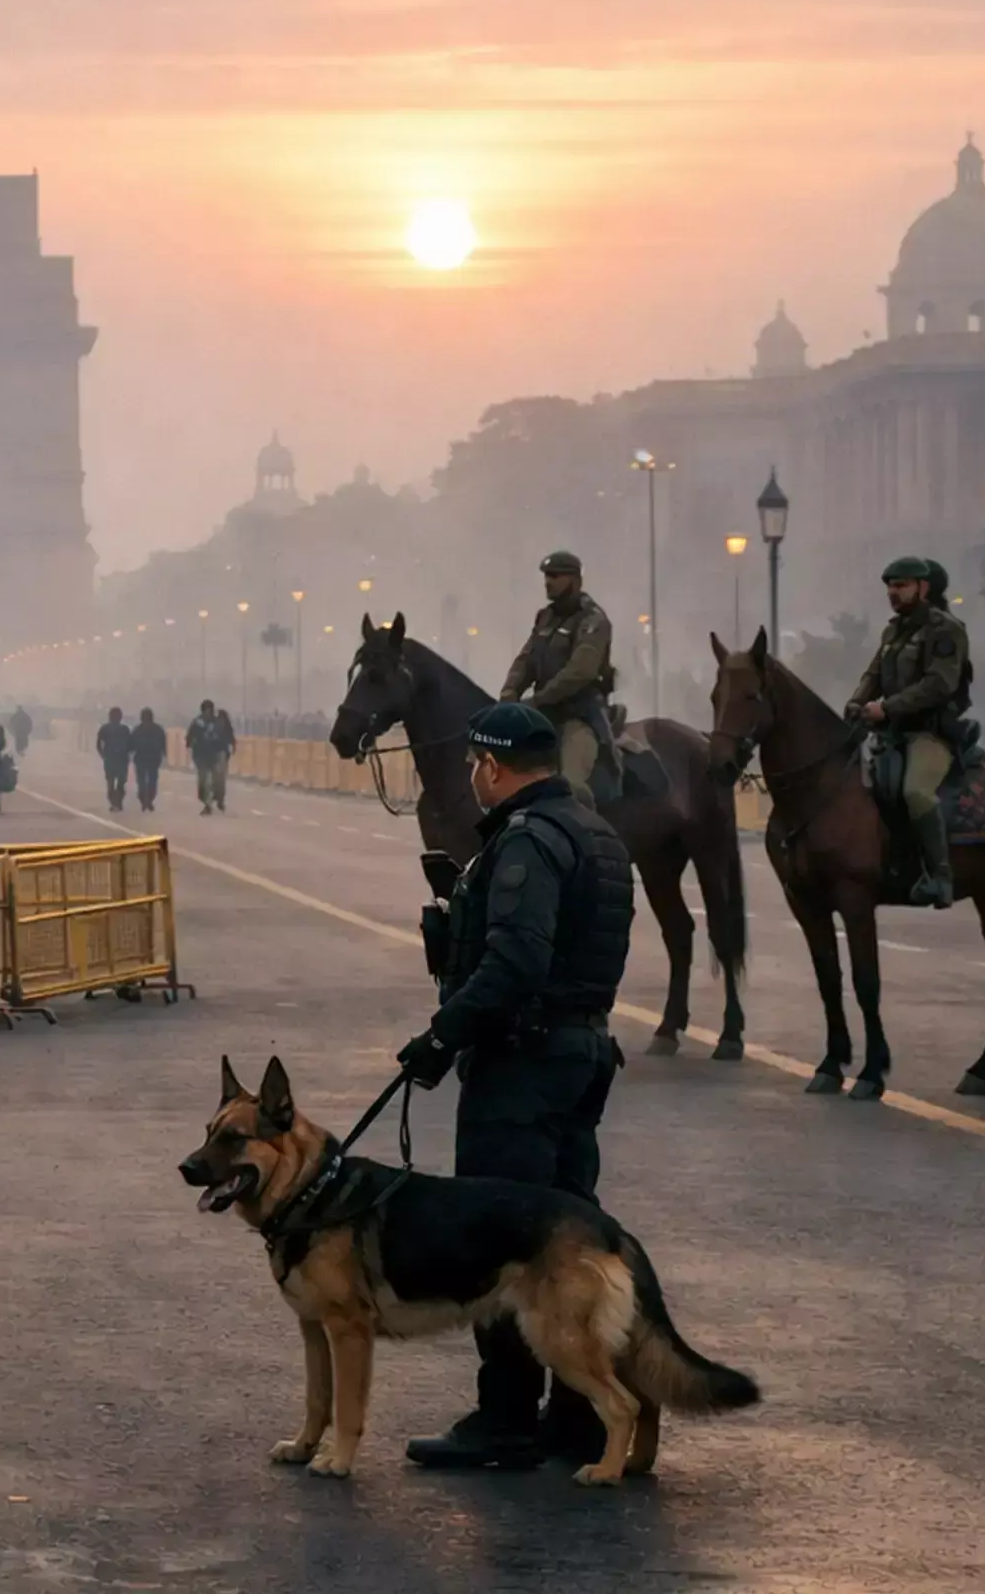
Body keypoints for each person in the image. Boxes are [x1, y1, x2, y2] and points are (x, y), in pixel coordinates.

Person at [395, 701, 634, 1471]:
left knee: (499, 1245)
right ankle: (576, 1416)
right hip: (582, 1053)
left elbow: (515, 962)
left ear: (493, 767)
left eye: (475, 766)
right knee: (566, 1244)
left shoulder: (528, 842)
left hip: (522, 1067)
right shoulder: (595, 832)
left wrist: (442, 1036)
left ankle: (503, 1418)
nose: (472, 777)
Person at [847, 554, 973, 907]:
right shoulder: (893, 631)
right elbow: (873, 675)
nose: (893, 592)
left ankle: (940, 876)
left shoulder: (946, 629)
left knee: (916, 791)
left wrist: (886, 708)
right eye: (890, 585)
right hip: (891, 734)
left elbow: (939, 685)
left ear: (924, 587)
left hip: (930, 734)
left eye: (901, 585)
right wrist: (856, 703)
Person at [499, 551, 617, 811]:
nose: (547, 582)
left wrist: (538, 700)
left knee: (571, 784)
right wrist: (509, 694)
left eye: (554, 576)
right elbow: (526, 660)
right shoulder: (545, 618)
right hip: (543, 714)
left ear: (574, 579)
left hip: (579, 716)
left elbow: (580, 671)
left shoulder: (593, 620)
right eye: (545, 576)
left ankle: (586, 840)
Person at [186, 700, 233, 814]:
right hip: (202, 755)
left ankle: (219, 799)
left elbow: (228, 734)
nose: (208, 712)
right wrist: (190, 745)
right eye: (206, 709)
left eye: (210, 709)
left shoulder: (219, 722)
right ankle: (207, 804)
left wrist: (229, 747)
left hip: (217, 753)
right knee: (204, 781)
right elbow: (189, 737)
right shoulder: (197, 722)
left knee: (218, 780)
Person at [129, 707, 167, 813]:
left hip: (144, 758)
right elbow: (163, 744)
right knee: (150, 781)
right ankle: (147, 800)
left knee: (144, 781)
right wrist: (164, 754)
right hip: (151, 758)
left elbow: (131, 745)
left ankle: (146, 801)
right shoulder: (157, 729)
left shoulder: (138, 730)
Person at [96, 707, 133, 811]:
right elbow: (130, 744)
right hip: (121, 760)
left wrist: (103, 755)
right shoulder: (124, 729)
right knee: (120, 783)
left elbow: (98, 744)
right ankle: (117, 802)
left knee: (111, 783)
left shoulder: (105, 728)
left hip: (111, 760)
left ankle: (115, 802)